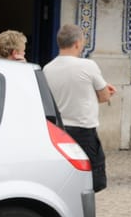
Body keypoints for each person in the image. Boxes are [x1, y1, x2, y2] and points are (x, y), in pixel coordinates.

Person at [43, 24, 116, 192]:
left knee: (64, 178)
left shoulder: (47, 68)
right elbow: (104, 96)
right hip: (84, 131)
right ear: (77, 43)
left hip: (59, 131)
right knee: (91, 180)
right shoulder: (88, 66)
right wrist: (105, 91)